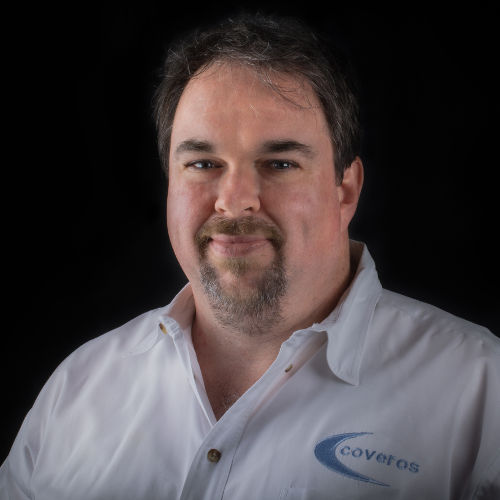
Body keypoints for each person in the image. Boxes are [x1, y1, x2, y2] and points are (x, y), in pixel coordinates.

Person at [1, 13, 499, 500]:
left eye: (279, 163)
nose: (235, 200)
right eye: (203, 163)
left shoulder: (481, 394)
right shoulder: (80, 387)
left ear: (345, 189)